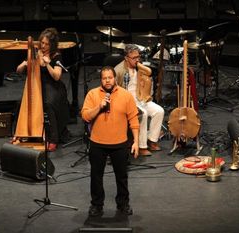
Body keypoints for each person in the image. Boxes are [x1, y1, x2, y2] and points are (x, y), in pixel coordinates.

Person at [81, 66, 139, 217]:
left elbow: (133, 120)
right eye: (104, 78)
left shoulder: (126, 96)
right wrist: (99, 107)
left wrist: (136, 142)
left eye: (110, 77)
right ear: (101, 80)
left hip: (120, 143)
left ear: (115, 78)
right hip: (97, 143)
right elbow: (86, 116)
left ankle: (123, 204)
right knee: (96, 176)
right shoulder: (92, 94)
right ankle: (96, 205)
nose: (107, 80)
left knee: (121, 177)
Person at [16, 28, 70, 152]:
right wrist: (24, 64)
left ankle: (54, 139)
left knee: (48, 104)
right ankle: (24, 133)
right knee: (21, 104)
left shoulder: (56, 56)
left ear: (52, 45)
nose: (44, 46)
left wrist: (48, 64)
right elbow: (18, 70)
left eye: (47, 44)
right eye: (42, 43)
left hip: (53, 87)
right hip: (38, 85)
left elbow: (57, 76)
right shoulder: (35, 53)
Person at [115, 44, 165, 156]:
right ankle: (142, 146)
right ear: (126, 58)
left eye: (138, 57)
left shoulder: (140, 68)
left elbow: (147, 85)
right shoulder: (118, 70)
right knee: (144, 114)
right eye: (134, 58)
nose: (137, 60)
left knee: (159, 111)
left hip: (140, 99)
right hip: (127, 102)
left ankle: (152, 140)